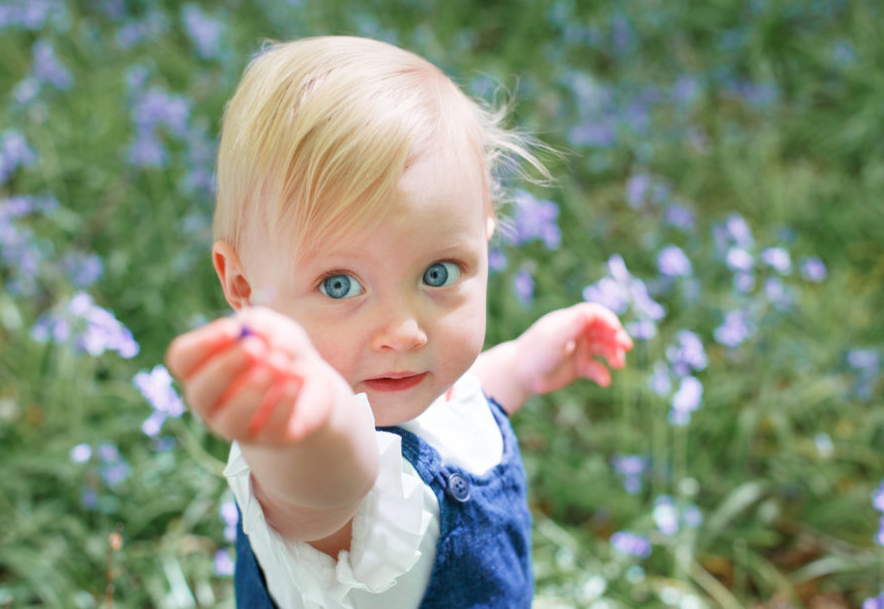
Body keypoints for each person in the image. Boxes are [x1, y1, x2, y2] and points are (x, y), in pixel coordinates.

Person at [165, 35, 633, 608]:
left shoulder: (423, 385)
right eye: (339, 285)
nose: (404, 332)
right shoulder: (330, 478)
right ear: (243, 287)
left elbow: (464, 399)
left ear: (485, 233)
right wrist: (298, 423)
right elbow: (325, 487)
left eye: (438, 274)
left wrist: (525, 364)